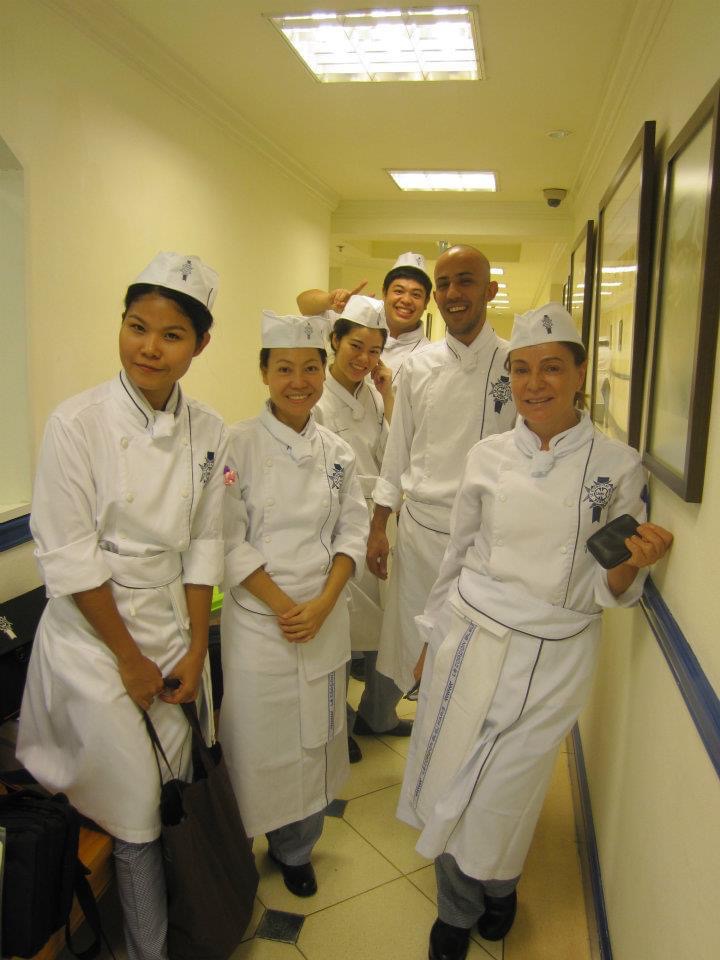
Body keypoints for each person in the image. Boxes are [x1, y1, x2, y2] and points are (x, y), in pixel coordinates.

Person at [397, 303, 673, 960]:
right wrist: (431, 637)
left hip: (556, 651)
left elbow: (609, 584)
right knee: (452, 775)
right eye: (521, 370)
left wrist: (634, 563)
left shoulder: (617, 466)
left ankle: (500, 884)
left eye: (551, 367)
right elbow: (457, 554)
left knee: (505, 791)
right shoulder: (487, 456)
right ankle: (457, 910)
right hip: (471, 637)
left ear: (579, 372)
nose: (534, 383)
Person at [17, 252, 226, 960]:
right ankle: (148, 950)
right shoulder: (76, 424)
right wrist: (130, 660)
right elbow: (72, 558)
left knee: (172, 785)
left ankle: (183, 918)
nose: (149, 347)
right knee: (136, 809)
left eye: (172, 335)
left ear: (200, 344)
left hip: (169, 625)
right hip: (94, 639)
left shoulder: (209, 430)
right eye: (137, 327)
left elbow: (204, 545)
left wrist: (195, 648)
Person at [219, 311, 368, 898]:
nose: (298, 381)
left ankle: (297, 849)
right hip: (262, 623)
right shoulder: (237, 445)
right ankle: (241, 849)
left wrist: (325, 602)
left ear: (323, 372)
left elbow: (352, 532)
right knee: (257, 740)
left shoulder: (338, 452)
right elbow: (229, 539)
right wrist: (286, 607)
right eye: (284, 369)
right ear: (264, 373)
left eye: (310, 368)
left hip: (323, 618)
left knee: (316, 739)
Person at [364, 244, 517, 731]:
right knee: (416, 652)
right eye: (445, 284)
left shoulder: (516, 364)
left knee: (475, 659)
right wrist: (378, 526)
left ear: (489, 290)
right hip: (422, 535)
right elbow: (398, 451)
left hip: (489, 541)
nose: (453, 293)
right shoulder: (418, 367)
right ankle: (417, 739)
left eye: (465, 281)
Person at [312, 295, 408, 760]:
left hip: (377, 520)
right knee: (339, 631)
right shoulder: (316, 396)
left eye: (374, 351)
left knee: (383, 625)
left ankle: (375, 714)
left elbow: (390, 453)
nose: (364, 359)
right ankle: (335, 725)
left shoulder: (370, 393)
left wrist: (388, 395)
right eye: (356, 346)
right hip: (335, 526)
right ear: (334, 340)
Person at [297, 251, 432, 383]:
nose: (406, 300)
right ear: (384, 293)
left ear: (426, 302)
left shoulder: (428, 356)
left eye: (416, 294)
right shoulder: (357, 317)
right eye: (399, 291)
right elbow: (303, 303)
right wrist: (330, 300)